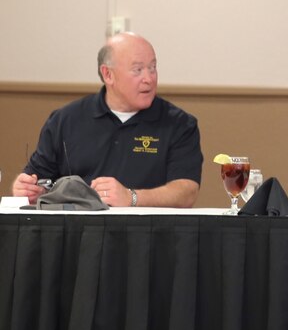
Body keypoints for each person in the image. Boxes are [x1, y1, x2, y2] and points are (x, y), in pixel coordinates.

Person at [12, 32, 203, 207]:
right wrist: (29, 190)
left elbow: (186, 192)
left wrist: (132, 197)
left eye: (152, 68)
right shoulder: (65, 120)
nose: (149, 78)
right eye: (137, 70)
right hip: (78, 236)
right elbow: (37, 180)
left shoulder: (179, 124)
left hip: (149, 237)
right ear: (107, 74)